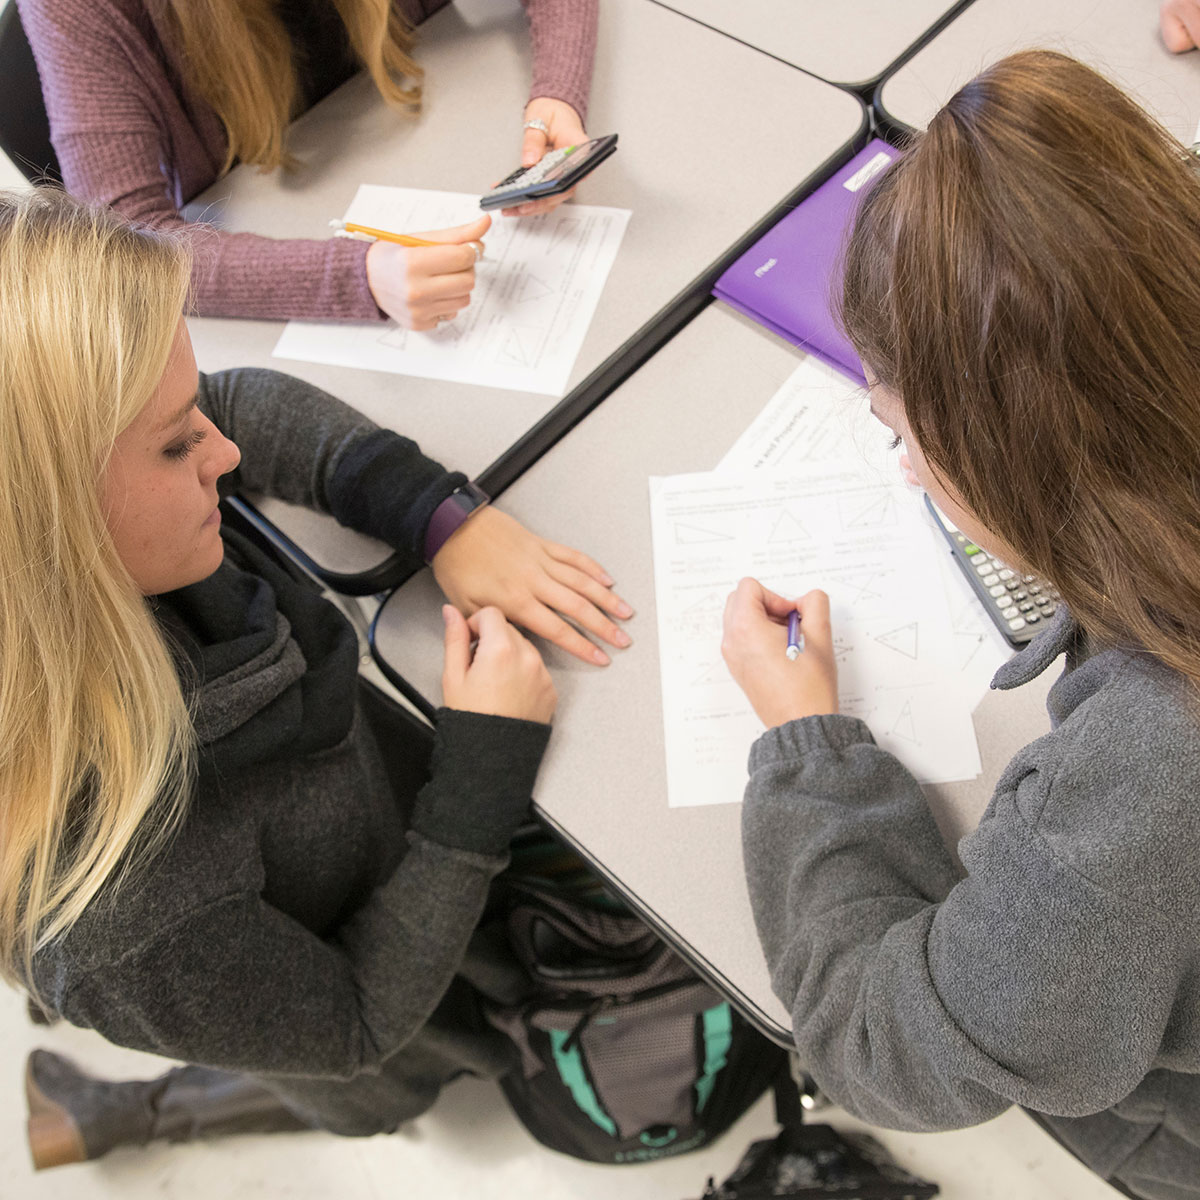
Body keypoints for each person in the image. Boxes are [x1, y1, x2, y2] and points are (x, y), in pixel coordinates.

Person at [1, 185, 632, 1169]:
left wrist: (438, 516)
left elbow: (240, 401)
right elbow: (354, 1020)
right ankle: (141, 1111)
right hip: (366, 987)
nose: (227, 451)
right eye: (177, 446)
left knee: (241, 1007)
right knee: (369, 1076)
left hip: (337, 862)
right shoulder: (127, 921)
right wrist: (480, 773)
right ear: (43, 529)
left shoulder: (75, 568)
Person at [720, 51, 1200, 1200]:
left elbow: (895, 1046)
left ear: (1004, 452)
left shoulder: (1149, 766)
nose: (906, 468)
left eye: (905, 432)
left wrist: (809, 754)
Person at [17, 0, 598, 326]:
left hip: (427, 129)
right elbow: (125, 245)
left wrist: (557, 94)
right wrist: (358, 277)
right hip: (270, 237)